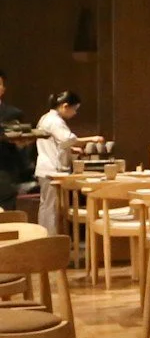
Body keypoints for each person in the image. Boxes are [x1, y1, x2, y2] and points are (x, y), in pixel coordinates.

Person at [32, 91, 99, 236]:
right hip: (51, 169)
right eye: (74, 109)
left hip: (46, 167)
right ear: (65, 106)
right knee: (51, 208)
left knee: (47, 206)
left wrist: (71, 148)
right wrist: (92, 139)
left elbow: (58, 143)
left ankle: (47, 238)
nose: (75, 113)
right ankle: (50, 239)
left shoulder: (46, 118)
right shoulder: (55, 121)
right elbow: (67, 139)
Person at [0, 66, 28, 214]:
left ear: (3, 89)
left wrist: (21, 145)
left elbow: (21, 143)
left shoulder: (13, 113)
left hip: (5, 171)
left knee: (6, 216)